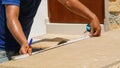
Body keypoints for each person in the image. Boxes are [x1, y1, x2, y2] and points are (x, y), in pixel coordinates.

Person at [0, 0, 101, 63]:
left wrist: (92, 17)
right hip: (2, 50)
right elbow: (12, 17)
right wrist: (23, 42)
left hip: (19, 46)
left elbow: (68, 1)